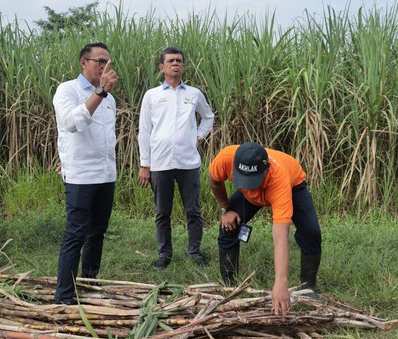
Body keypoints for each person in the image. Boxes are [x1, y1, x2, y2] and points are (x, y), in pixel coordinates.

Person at [208, 142, 322, 316]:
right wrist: (226, 209)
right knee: (228, 228)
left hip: (293, 185)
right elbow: (215, 182)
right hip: (251, 197)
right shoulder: (225, 158)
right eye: (242, 180)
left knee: (311, 233)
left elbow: (280, 235)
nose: (245, 186)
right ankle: (229, 287)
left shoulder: (278, 179)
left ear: (266, 171)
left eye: (250, 181)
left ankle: (308, 289)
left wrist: (280, 283)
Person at [138, 47, 215, 270]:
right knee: (162, 212)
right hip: (160, 163)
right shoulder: (152, 96)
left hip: (188, 162)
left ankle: (195, 252)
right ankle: (164, 255)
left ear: (183, 66)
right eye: (170, 61)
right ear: (161, 67)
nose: (175, 64)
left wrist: (198, 136)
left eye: (179, 60)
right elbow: (144, 130)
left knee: (193, 210)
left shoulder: (194, 94)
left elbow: (208, 117)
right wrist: (145, 164)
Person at [53, 42, 118, 304]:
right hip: (80, 176)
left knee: (97, 233)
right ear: (83, 62)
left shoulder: (110, 98)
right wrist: (100, 92)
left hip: (105, 175)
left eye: (107, 62)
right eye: (99, 61)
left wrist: (103, 93)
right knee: (75, 234)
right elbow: (71, 124)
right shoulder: (68, 90)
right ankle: (64, 296)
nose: (104, 67)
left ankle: (89, 282)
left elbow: (104, 139)